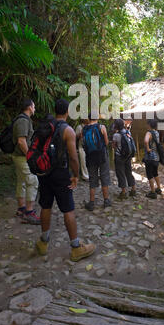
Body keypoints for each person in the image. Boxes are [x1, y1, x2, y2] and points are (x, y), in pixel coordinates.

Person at [35, 99, 96, 261]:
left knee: (45, 205)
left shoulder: (47, 126)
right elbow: (73, 157)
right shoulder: (67, 130)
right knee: (68, 209)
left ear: (55, 110)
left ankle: (43, 242)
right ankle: (76, 248)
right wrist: (75, 176)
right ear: (68, 111)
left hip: (44, 172)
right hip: (60, 174)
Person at [12, 98, 40, 225]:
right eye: (33, 106)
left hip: (18, 156)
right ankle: (29, 212)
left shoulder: (23, 119)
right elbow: (21, 141)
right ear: (29, 107)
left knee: (22, 181)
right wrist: (30, 156)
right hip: (22, 157)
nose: (34, 108)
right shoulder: (23, 120)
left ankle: (21, 208)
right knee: (32, 180)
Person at [83, 114, 111, 211]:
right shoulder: (101, 127)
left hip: (90, 157)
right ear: (97, 118)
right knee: (104, 176)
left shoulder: (85, 129)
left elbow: (84, 144)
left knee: (92, 178)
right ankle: (106, 201)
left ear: (89, 118)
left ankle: (91, 203)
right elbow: (106, 142)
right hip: (102, 156)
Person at [112, 118, 136, 199]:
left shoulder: (116, 135)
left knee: (121, 173)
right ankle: (133, 189)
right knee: (129, 172)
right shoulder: (128, 132)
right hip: (128, 156)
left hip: (119, 156)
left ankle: (123, 192)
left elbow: (113, 146)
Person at [143, 119, 162, 199]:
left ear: (150, 125)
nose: (146, 125)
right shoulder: (157, 133)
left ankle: (153, 192)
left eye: (147, 124)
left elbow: (146, 141)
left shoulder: (149, 133)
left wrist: (147, 149)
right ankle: (159, 188)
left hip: (150, 157)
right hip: (156, 157)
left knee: (149, 174)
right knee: (155, 173)